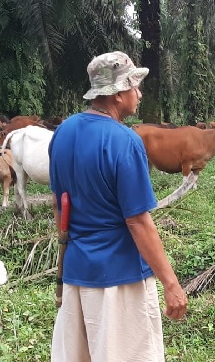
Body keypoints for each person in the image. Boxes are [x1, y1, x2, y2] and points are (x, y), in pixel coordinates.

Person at [49, 51, 188, 362]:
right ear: (117, 93)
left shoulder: (63, 132)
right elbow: (138, 222)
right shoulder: (124, 140)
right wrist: (171, 283)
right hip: (120, 278)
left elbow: (60, 209)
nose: (138, 93)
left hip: (76, 273)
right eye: (134, 86)